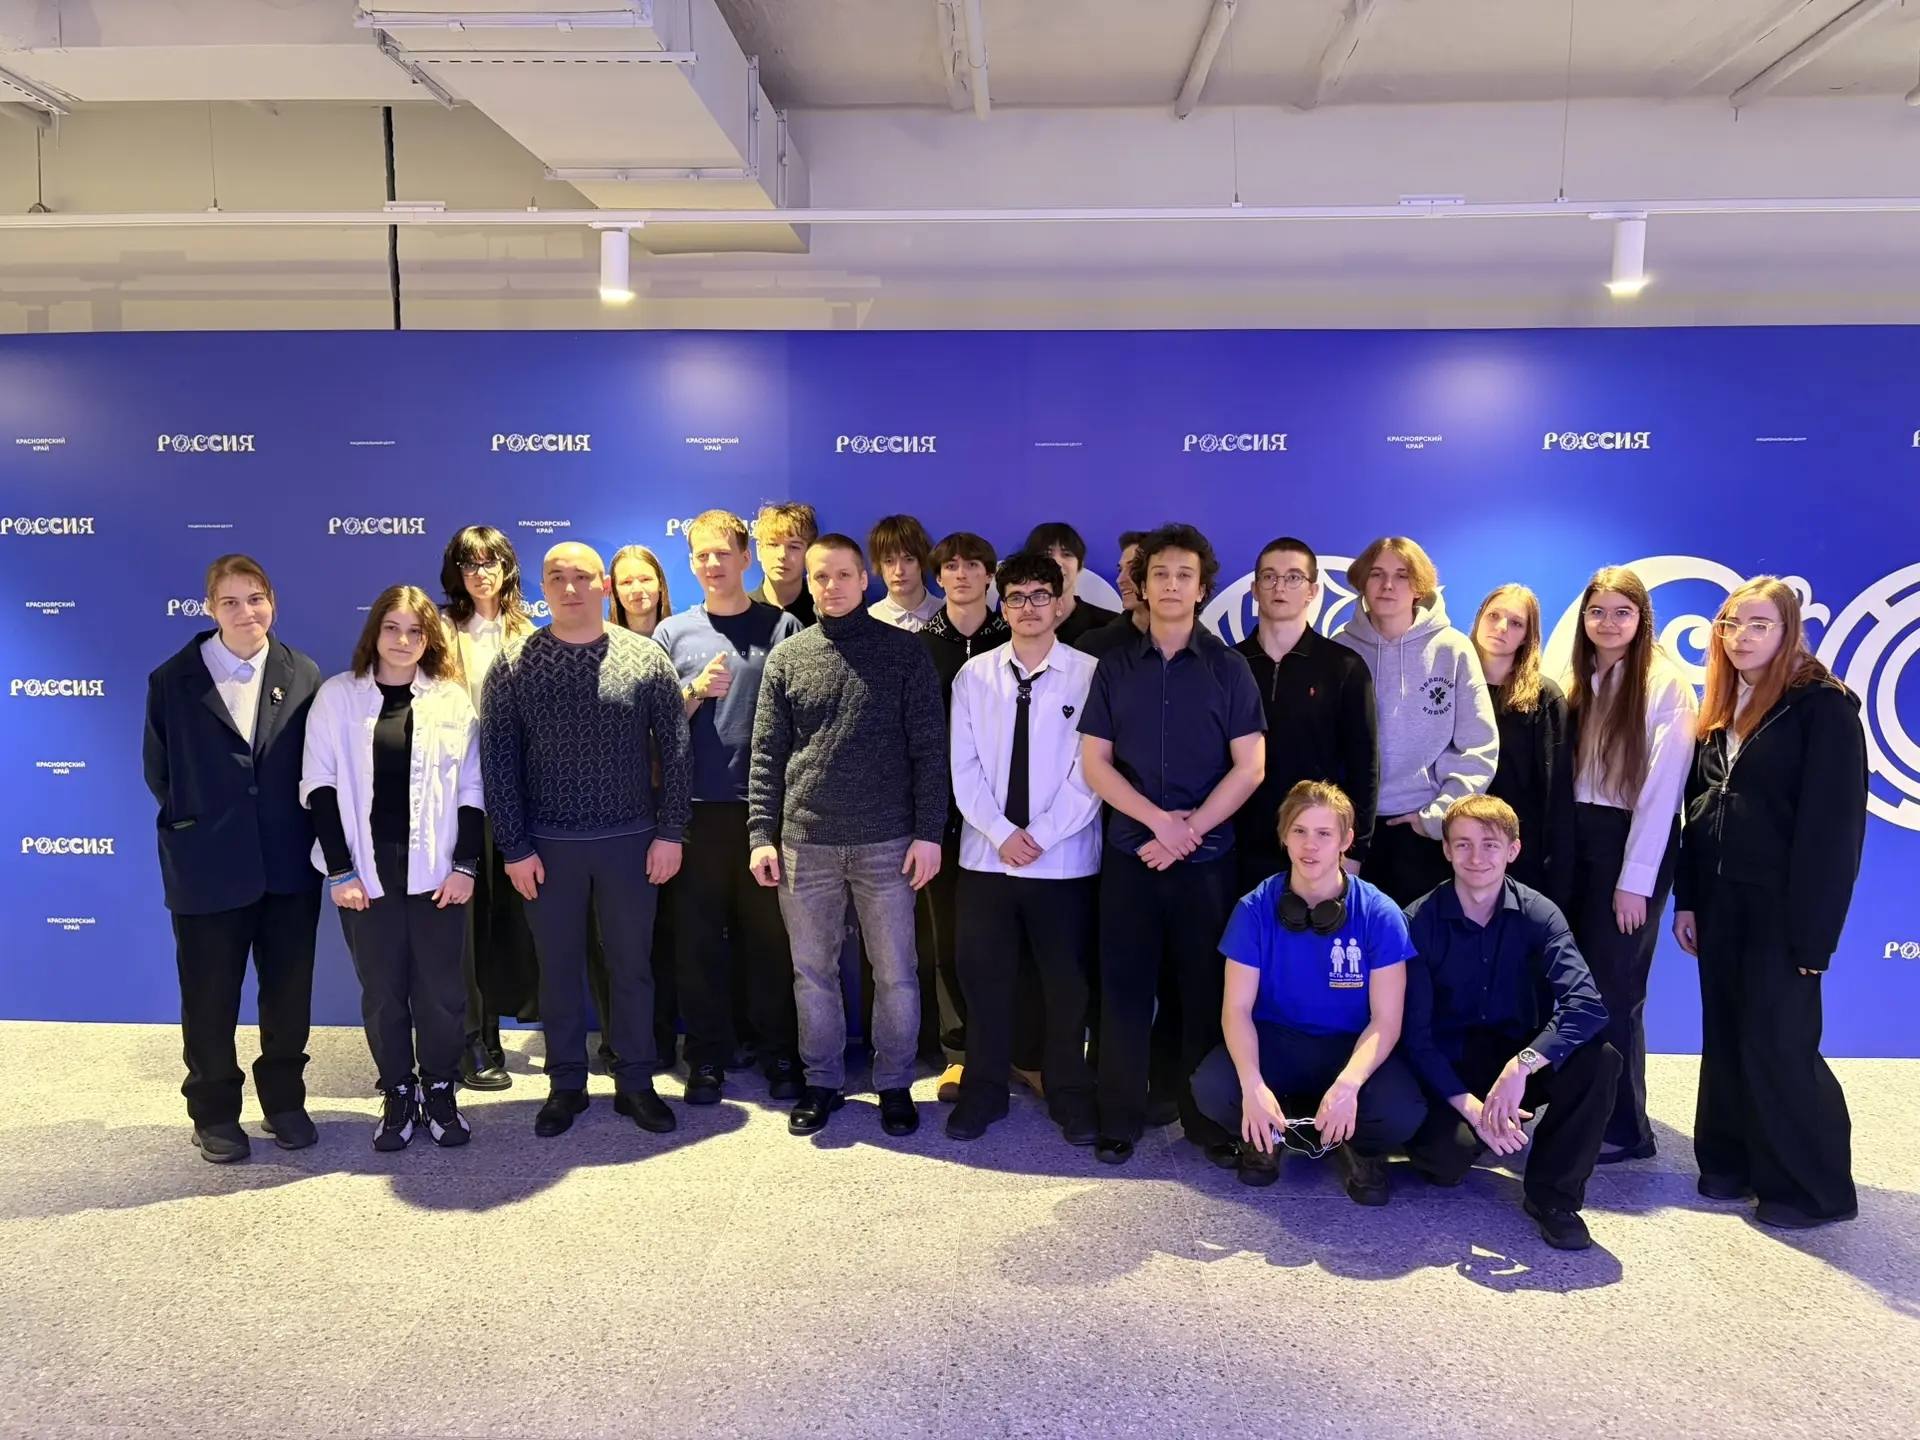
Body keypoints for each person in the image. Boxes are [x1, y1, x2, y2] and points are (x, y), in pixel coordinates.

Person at [478, 541, 692, 1139]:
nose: (569, 587)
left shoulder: (645, 657)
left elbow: (676, 751)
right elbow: (497, 761)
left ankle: (636, 1083)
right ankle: (565, 1084)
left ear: (604, 585)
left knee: (631, 969)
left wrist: (671, 832)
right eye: (556, 577)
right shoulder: (513, 663)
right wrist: (514, 847)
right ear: (542, 588)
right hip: (546, 848)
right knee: (558, 970)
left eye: (581, 576)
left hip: (633, 842)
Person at [1673, 577, 1867, 1228]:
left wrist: (1815, 938)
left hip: (1783, 911)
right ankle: (1730, 1164)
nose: (1742, 637)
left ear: (1788, 631)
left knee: (1780, 1043)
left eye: (1759, 625)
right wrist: (1689, 900)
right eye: (1732, 624)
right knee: (1727, 1034)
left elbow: (1834, 832)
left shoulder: (1823, 708)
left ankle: (1812, 1190)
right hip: (1720, 904)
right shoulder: (1720, 709)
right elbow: (1697, 816)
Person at [748, 534, 948, 1138]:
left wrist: (929, 833)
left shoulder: (905, 653)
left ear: (865, 579)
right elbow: (767, 753)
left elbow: (929, 751)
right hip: (804, 844)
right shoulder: (788, 657)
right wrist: (761, 834)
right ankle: (823, 1082)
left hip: (889, 843)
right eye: (820, 577)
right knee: (812, 973)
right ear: (808, 584)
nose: (831, 586)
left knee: (896, 973)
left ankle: (894, 1084)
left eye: (842, 575)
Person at [1079, 522, 1265, 1165]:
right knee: (1124, 991)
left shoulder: (1229, 668)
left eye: (1185, 575)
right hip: (1132, 855)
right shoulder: (1113, 666)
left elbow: (1250, 767)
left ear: (1202, 587)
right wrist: (1160, 824)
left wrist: (1190, 830)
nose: (1171, 585)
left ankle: (1207, 1122)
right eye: (1159, 574)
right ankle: (1118, 1117)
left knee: (1203, 993)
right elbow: (1095, 764)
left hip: (1207, 862)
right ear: (1141, 583)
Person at [143, 554, 323, 1163]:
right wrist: (203, 827)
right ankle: (214, 1113)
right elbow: (160, 772)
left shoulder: (303, 673)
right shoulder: (173, 679)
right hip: (206, 865)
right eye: (230, 601)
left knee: (289, 993)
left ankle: (285, 1102)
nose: (246, 612)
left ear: (272, 601)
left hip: (288, 864)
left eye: (256, 598)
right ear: (209, 608)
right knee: (209, 997)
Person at [301, 586, 484, 1151]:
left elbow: (472, 789)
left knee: (442, 992)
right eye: (392, 628)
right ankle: (399, 1091)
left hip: (437, 872)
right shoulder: (338, 696)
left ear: (430, 639)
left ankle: (440, 1087)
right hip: (366, 870)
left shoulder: (451, 700)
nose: (403, 641)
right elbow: (319, 786)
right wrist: (340, 872)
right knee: (383, 993)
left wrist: (465, 866)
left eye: (415, 631)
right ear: (374, 632)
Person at [1190, 781, 1426, 1205]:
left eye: (1323, 833)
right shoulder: (1254, 908)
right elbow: (1236, 1010)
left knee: (1402, 1113)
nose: (1309, 845)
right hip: (1276, 1041)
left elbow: (1387, 1020)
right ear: (1284, 835)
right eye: (1299, 831)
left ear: (1346, 840)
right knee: (1213, 1089)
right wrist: (1253, 1085)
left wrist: (1349, 1084)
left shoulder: (1380, 914)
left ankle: (1355, 1144)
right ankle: (1268, 1131)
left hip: (1350, 1044)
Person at [1401, 795, 1620, 1249]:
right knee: (1445, 1162)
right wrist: (1473, 1109)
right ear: (1446, 850)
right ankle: (1481, 1129)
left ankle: (1554, 1198)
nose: (1476, 857)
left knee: (1600, 1059)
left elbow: (1586, 1004)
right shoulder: (1418, 921)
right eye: (1463, 844)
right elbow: (1415, 1037)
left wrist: (1523, 1065)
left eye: (1490, 844)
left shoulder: (1540, 913)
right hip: (1452, 1066)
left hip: (1517, 1057)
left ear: (1513, 850)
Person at [945, 552, 1102, 1144]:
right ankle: (983, 1090)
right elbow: (963, 768)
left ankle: (1068, 1091)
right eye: (1016, 597)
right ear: (1002, 605)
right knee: (985, 981)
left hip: (1063, 862)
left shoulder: (1090, 674)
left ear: (1060, 603)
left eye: (1040, 595)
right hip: (987, 859)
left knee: (1065, 986)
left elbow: (1093, 771)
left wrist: (1041, 835)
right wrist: (1002, 833)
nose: (1028, 607)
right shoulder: (973, 676)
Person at [655, 509, 805, 1106]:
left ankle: (778, 1053)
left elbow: (801, 716)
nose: (712, 564)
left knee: (769, 942)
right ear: (691, 564)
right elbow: (652, 726)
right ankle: (707, 1057)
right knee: (696, 946)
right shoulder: (672, 633)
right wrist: (694, 692)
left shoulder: (783, 626)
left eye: (723, 553)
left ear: (746, 558)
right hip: (693, 813)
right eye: (701, 555)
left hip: (763, 813)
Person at [1563, 566, 1697, 1164]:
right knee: (1576, 985)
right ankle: (1581, 1111)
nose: (1608, 623)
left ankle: (1626, 1129)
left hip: (1631, 843)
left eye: (1622, 612)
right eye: (1597, 611)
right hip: (1579, 839)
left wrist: (1634, 881)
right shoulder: (1580, 675)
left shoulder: (1664, 684)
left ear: (1643, 618)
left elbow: (1662, 795)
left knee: (1615, 990)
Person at [1333, 537, 1498, 906]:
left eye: (1401, 575)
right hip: (1351, 830)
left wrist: (1436, 817)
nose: (1388, 585)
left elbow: (1479, 746)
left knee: (1419, 937)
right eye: (1377, 574)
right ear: (1362, 582)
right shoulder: (1340, 649)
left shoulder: (1452, 648)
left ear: (1419, 586)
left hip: (1422, 832)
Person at [440, 525, 537, 1091]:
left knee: (509, 920)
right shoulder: (439, 629)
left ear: (506, 568)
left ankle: (498, 1028)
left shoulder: (530, 631)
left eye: (490, 562)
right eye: (469, 564)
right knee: (465, 922)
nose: (481, 573)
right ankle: (472, 1040)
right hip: (456, 795)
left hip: (518, 794)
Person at [1233, 537, 1379, 894]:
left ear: (1313, 591)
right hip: (1237, 845)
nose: (1279, 587)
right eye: (1269, 577)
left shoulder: (1344, 666)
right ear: (1254, 589)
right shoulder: (1228, 665)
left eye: (1294, 577)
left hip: (1318, 846)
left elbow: (1364, 766)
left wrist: (1354, 850)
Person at [918, 530, 1011, 1083]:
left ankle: (1016, 1049)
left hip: (1009, 818)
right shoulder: (919, 647)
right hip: (942, 817)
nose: (961, 574)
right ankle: (958, 1053)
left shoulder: (1015, 638)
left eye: (973, 565)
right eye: (950, 566)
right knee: (947, 935)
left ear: (989, 576)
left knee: (1005, 936)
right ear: (938, 577)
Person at [597, 542, 682, 1072]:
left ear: (661, 585)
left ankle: (662, 1035)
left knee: (666, 929)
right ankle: (618, 1037)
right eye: (626, 580)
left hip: (671, 805)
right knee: (613, 934)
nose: (637, 589)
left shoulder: (684, 638)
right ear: (612, 589)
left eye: (645, 578)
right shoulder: (599, 643)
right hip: (616, 809)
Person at [1471, 585, 1575, 908]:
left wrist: (1556, 875)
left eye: (1516, 623)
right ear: (1479, 619)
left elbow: (1557, 796)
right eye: (1494, 616)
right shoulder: (1449, 685)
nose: (1501, 627)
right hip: (1452, 850)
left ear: (1527, 637)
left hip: (1519, 860)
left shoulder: (1544, 698)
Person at [1025, 521, 1120, 650]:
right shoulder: (1014, 625)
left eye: (1067, 554)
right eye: (1046, 554)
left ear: (1079, 566)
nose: (1057, 563)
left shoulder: (1110, 627)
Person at [1076, 530, 1149, 659]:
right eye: (1120, 570)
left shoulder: (1187, 641)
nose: (1120, 580)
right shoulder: (1094, 645)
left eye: (1133, 568)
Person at [867, 514, 943, 631]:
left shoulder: (948, 616)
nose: (899, 571)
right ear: (879, 565)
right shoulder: (869, 621)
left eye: (908, 560)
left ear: (922, 561)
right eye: (889, 561)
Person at [753, 500, 820, 627]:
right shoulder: (739, 611)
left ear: (809, 552)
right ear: (759, 550)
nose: (782, 555)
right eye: (773, 545)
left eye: (794, 547)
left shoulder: (825, 612)